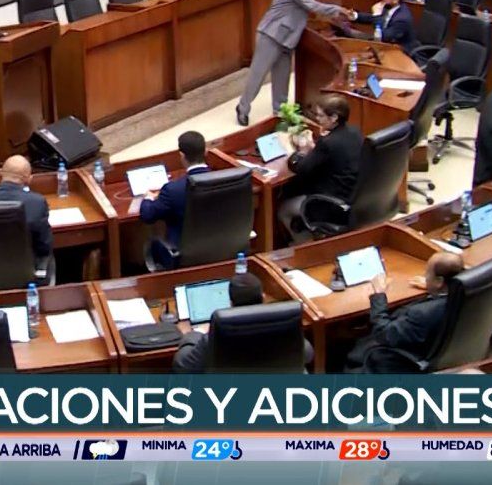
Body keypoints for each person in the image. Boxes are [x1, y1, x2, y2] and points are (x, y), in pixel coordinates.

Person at [236, 0, 348, 125]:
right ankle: (243, 108)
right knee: (258, 75)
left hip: (287, 38)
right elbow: (313, 6)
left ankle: (280, 112)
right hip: (272, 35)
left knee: (282, 78)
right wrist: (338, 10)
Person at [344, 252, 465, 373]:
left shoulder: (422, 313)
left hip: (398, 360)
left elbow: (383, 333)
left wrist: (378, 294)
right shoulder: (468, 294)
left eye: (428, 273)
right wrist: (432, 286)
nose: (425, 276)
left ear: (440, 281)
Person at [171, 272, 315, 372]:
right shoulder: (282, 324)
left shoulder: (219, 334)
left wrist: (194, 333)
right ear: (263, 297)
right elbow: (307, 354)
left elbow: (183, 367)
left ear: (231, 303)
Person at [277, 95, 363, 241]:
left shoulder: (328, 143)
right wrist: (315, 149)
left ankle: (306, 250)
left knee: (284, 209)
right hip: (353, 198)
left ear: (334, 117)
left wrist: (300, 153)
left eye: (321, 115)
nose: (317, 119)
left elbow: (301, 169)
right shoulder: (355, 132)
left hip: (330, 205)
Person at [141, 131, 211, 270]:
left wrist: (148, 197)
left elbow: (148, 215)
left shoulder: (173, 190)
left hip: (183, 258)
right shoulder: (224, 180)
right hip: (222, 251)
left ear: (181, 156)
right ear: (206, 152)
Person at [351, 0, 416, 53]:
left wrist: (376, 14)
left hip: (400, 53)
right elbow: (371, 18)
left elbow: (383, 37)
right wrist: (354, 15)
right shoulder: (389, 6)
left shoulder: (402, 18)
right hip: (387, 46)